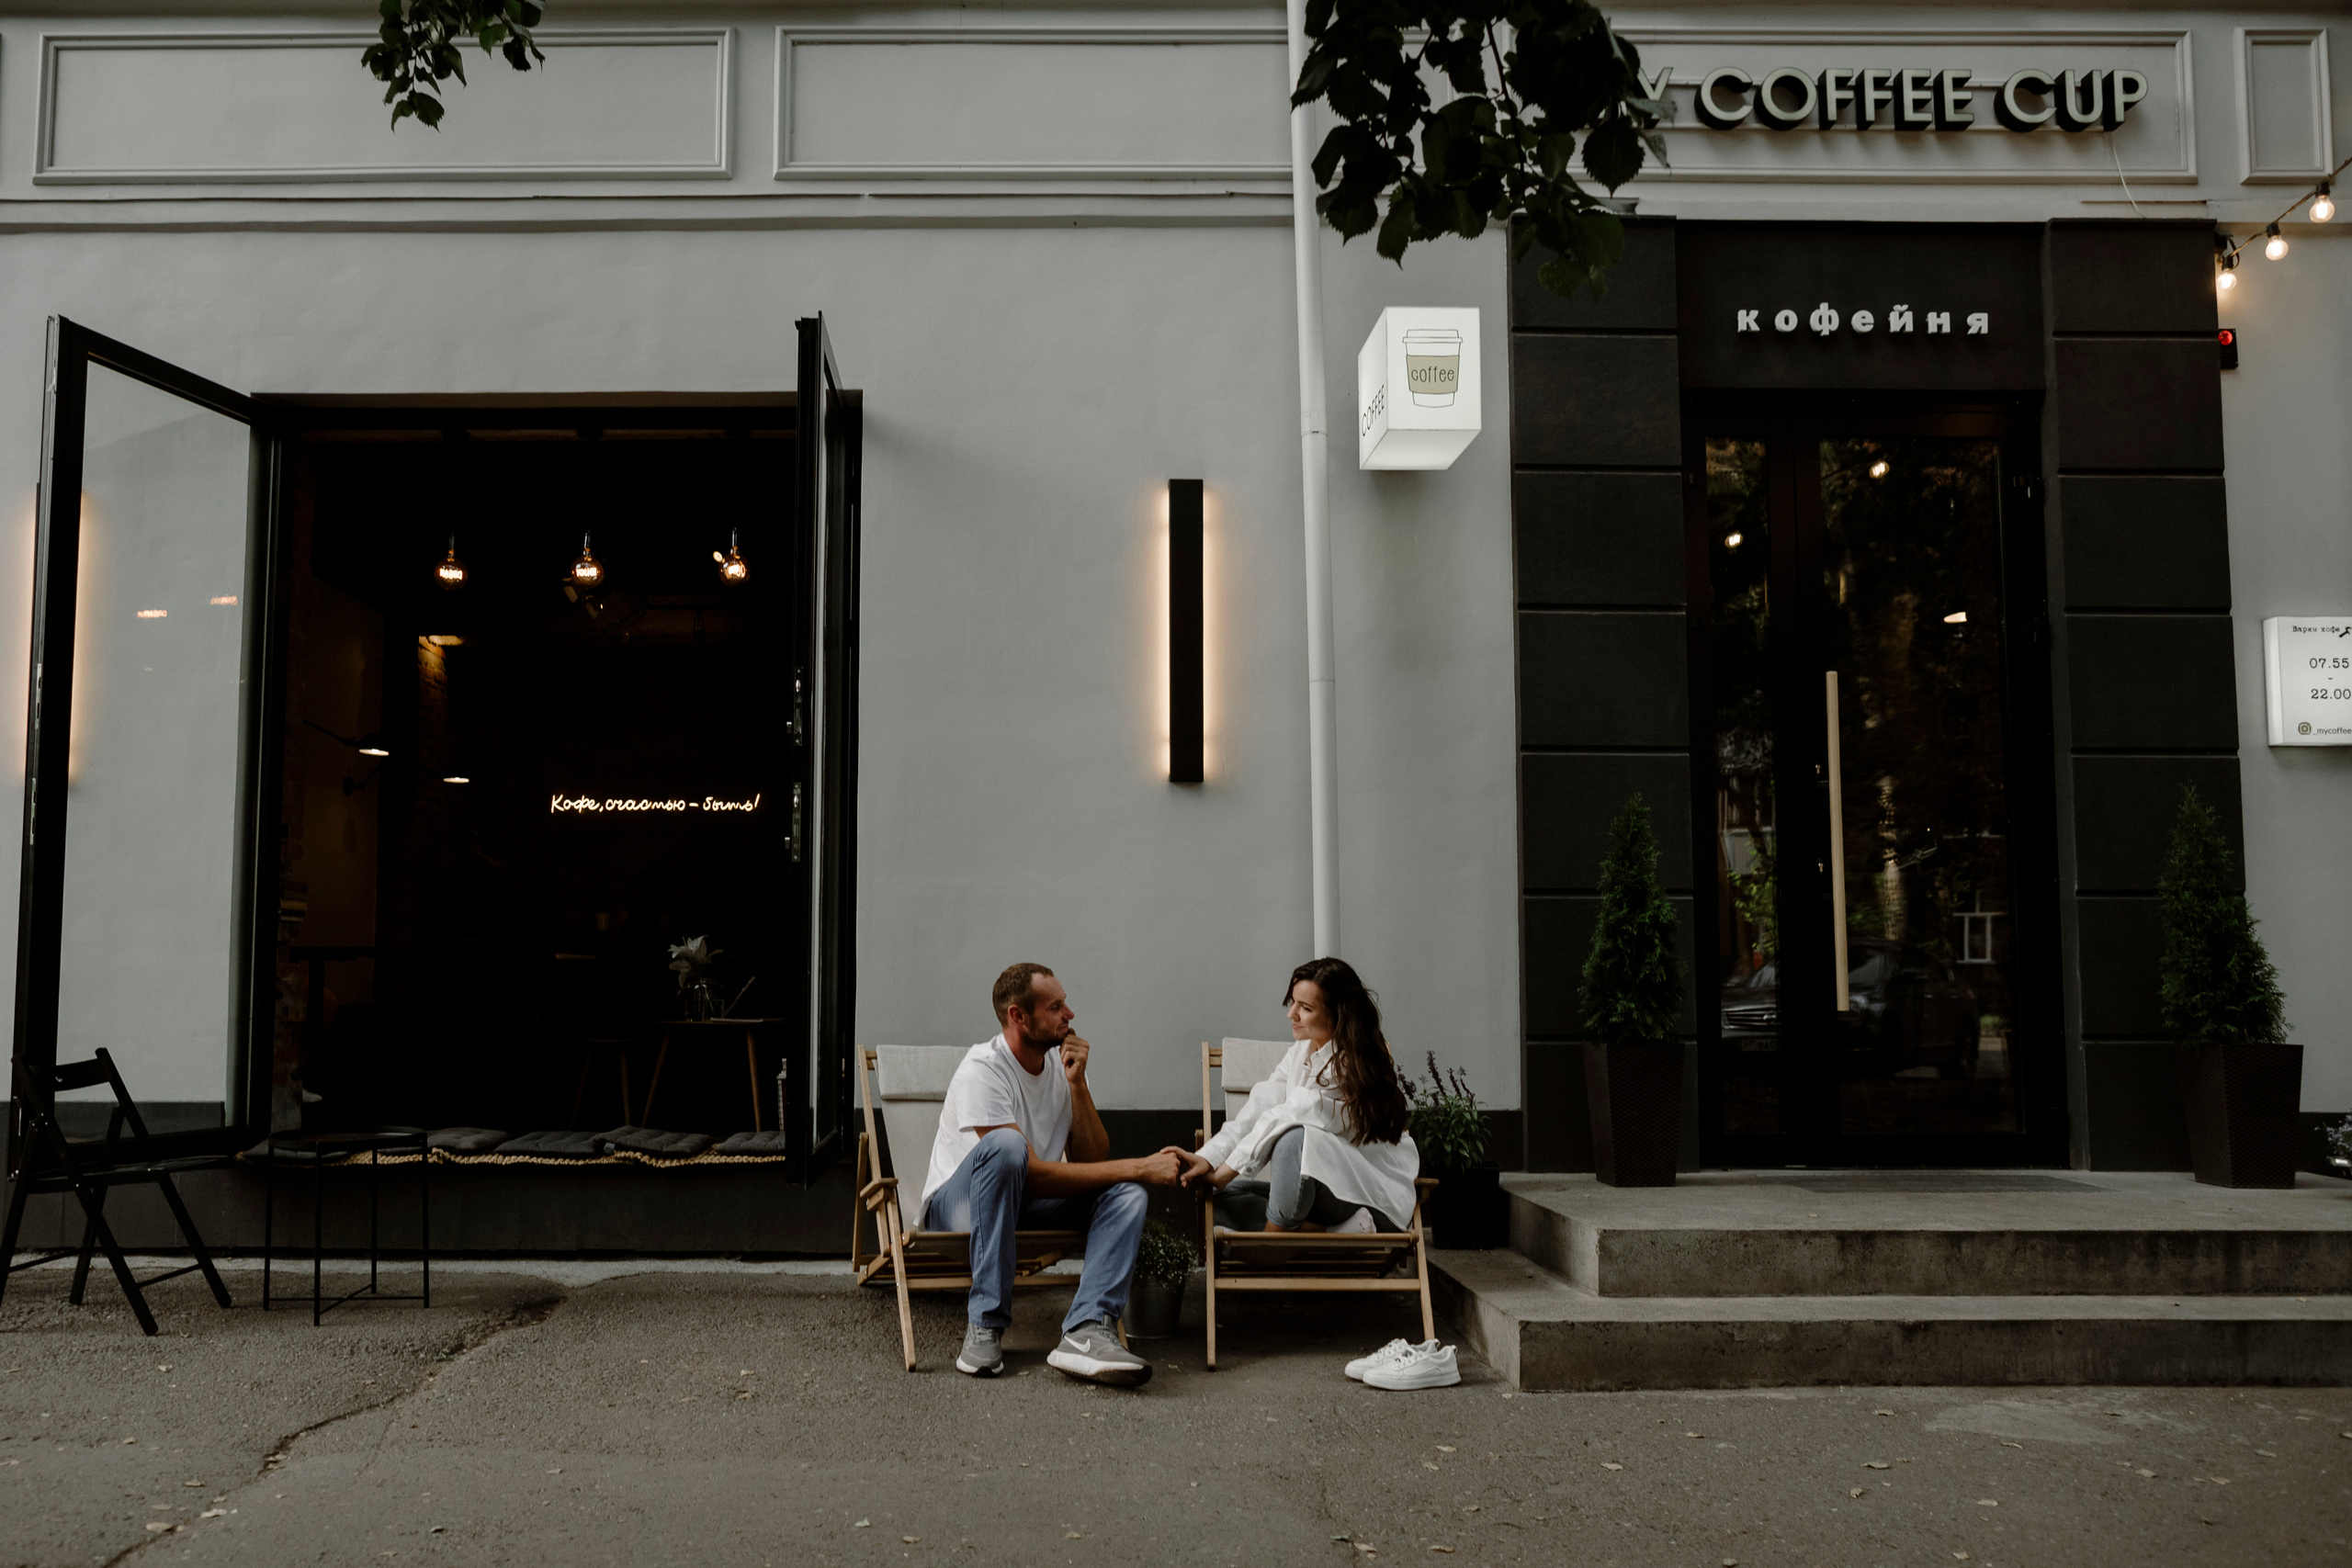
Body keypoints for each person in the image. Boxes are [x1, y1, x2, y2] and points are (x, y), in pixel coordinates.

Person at [1170, 956, 1460, 1390]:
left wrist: (1223, 1170)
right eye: (1292, 1002)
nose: (1291, 1014)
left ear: (1336, 1015)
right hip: (1323, 1196)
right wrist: (1209, 1160)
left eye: (1305, 1008)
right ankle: (1327, 1229)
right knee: (1222, 1205)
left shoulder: (1355, 1064)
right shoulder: (1300, 1052)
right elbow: (1257, 1110)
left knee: (1293, 1135)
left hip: (1369, 1194)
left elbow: (1289, 1115)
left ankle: (1274, 1244)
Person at [921, 962, 1184, 1385]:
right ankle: (985, 1323)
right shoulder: (983, 1068)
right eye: (1056, 1006)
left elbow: (1091, 1159)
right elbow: (1030, 1172)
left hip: (1023, 1203)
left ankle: (1086, 1329)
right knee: (1007, 1148)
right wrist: (1141, 1165)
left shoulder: (1057, 1070)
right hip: (959, 1209)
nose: (1070, 1015)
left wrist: (1078, 1086)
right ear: (1018, 1016)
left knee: (1126, 1194)